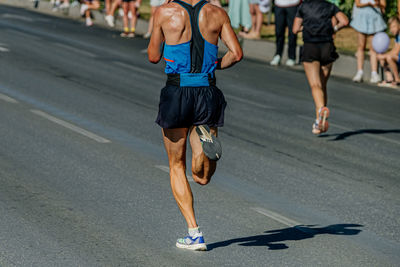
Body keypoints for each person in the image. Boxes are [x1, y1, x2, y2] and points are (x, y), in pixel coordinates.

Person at [148, 0, 242, 250]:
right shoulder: (217, 13)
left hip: (177, 90)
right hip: (207, 90)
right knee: (202, 178)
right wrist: (214, 66)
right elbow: (236, 54)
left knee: (176, 165)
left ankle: (194, 232)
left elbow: (153, 56)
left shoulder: (164, 12)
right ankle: (203, 141)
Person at [293, 0, 348, 135]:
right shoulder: (329, 6)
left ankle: (321, 110)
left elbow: (294, 29)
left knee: (315, 85)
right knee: (323, 85)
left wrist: (306, 27)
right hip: (327, 47)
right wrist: (333, 28)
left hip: (310, 47)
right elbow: (345, 21)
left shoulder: (303, 7)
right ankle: (319, 121)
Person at [350, 0, 387, 83]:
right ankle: (360, 72)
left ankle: (374, 73)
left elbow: (383, 5)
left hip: (374, 18)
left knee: (373, 47)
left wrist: (377, 3)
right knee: (361, 46)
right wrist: (368, 4)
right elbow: (358, 4)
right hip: (362, 17)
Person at [270, 0, 301, 66]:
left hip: (293, 4)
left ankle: (291, 57)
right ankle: (278, 54)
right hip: (279, 5)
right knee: (279, 31)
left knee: (292, 32)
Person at [377, 17, 400, 88]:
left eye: (394, 27)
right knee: (382, 57)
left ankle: (397, 80)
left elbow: (396, 51)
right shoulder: (397, 36)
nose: (392, 29)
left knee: (389, 57)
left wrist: (385, 56)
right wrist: (383, 56)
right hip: (398, 58)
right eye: (390, 28)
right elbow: (394, 49)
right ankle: (389, 78)